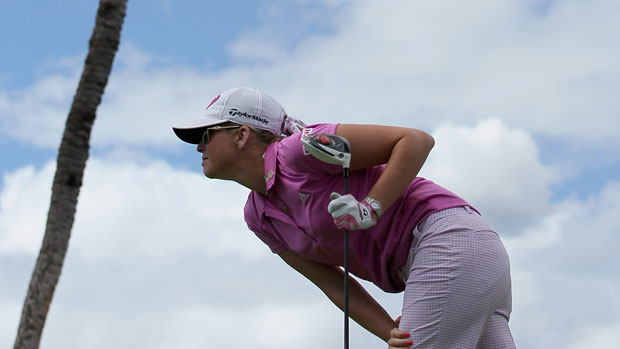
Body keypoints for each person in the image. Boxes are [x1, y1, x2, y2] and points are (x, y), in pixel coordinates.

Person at [172, 87, 515, 348]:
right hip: (461, 258)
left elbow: (416, 141)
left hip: (447, 238)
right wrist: (389, 332)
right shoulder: (258, 216)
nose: (198, 147)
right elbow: (334, 284)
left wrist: (371, 207)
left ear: (241, 135)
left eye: (206, 136)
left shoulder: (299, 149)